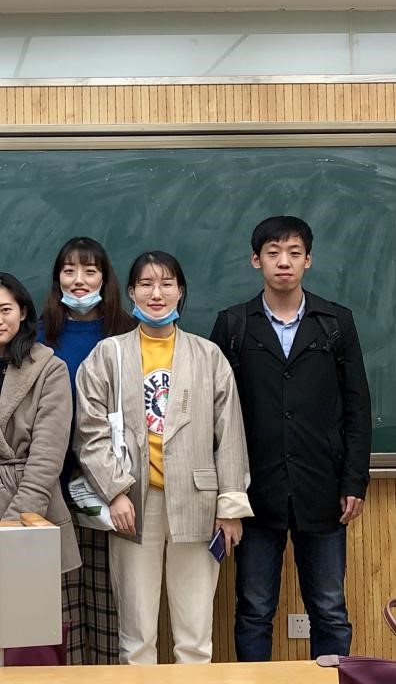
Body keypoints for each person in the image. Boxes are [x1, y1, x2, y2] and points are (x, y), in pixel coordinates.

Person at [75, 251, 252, 665]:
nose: (157, 293)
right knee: (136, 638)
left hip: (198, 503)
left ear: (180, 292)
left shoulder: (208, 356)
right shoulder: (108, 355)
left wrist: (229, 507)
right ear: (131, 292)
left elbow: (229, 435)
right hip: (134, 504)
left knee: (195, 638)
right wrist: (115, 491)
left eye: (167, 284)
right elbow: (89, 431)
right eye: (146, 284)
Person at [210, 216, 372, 661]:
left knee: (330, 610)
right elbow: (215, 415)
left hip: (322, 488)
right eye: (273, 253)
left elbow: (357, 407)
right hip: (255, 491)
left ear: (308, 260)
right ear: (256, 260)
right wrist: (226, 493)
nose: (284, 262)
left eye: (294, 253)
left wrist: (354, 481)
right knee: (254, 610)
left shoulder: (335, 322)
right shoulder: (233, 325)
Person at [38, 236, 136, 665]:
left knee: (110, 600)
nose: (79, 280)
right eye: (69, 271)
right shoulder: (38, 334)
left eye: (90, 271)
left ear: (105, 278)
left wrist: (114, 483)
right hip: (52, 486)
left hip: (112, 486)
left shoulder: (128, 332)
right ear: (57, 277)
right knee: (63, 605)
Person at [0, 271, 81, 564]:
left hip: (36, 507)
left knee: (35, 590)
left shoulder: (51, 369)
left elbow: (48, 455)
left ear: (22, 312)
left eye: (5, 310)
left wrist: (20, 517)